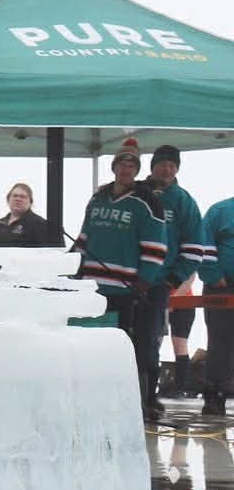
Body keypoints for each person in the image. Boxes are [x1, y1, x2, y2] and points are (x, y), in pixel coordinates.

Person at [76, 142, 168, 420]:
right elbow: (84, 238)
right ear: (114, 167)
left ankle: (128, 403)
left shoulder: (148, 201)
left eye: (131, 165)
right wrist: (73, 270)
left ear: (136, 170)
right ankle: (91, 400)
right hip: (92, 288)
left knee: (124, 348)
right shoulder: (98, 198)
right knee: (90, 345)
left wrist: (143, 281)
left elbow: (156, 247)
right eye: (121, 164)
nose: (125, 169)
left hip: (125, 290)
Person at [148, 144, 211, 398]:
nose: (167, 169)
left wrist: (173, 282)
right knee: (143, 340)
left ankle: (171, 390)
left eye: (172, 165)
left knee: (170, 340)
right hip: (133, 282)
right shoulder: (137, 192)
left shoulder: (184, 201)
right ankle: (141, 390)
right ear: (153, 166)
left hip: (165, 285)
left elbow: (195, 249)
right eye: (162, 164)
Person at [197, 191, 234, 417]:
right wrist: (214, 276)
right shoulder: (220, 211)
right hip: (222, 286)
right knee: (220, 342)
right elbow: (203, 245)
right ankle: (214, 396)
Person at [0, 182, 62, 253]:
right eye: (15, 196)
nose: (18, 199)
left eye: (23, 196)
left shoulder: (41, 225)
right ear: (8, 200)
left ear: (30, 202)